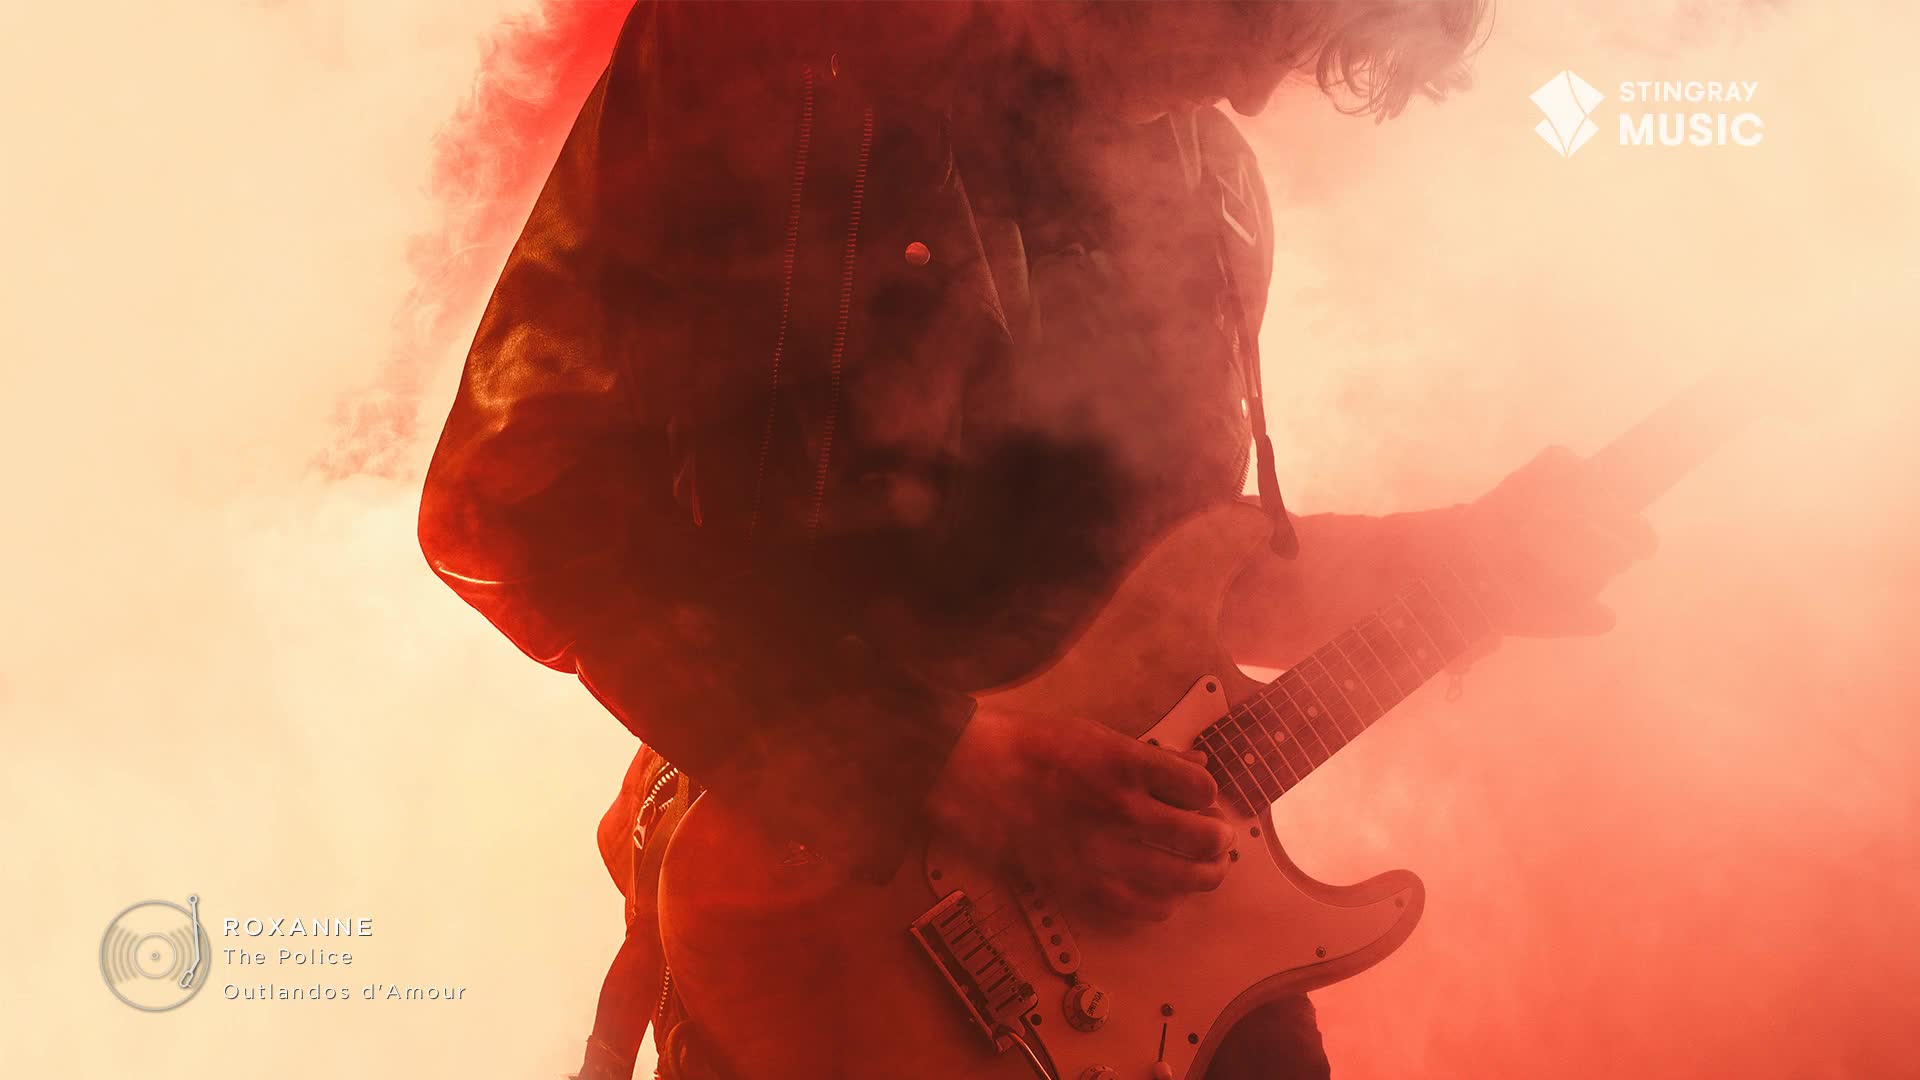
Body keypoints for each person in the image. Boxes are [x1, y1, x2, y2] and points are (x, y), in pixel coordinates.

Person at [417, 3, 1652, 1077]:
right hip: (829, 931)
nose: (1253, 89)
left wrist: (1469, 557)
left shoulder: (1208, 186)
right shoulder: (770, 49)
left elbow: (1193, 589)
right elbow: (515, 503)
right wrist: (938, 766)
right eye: (1248, 19)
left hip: (1155, 968)